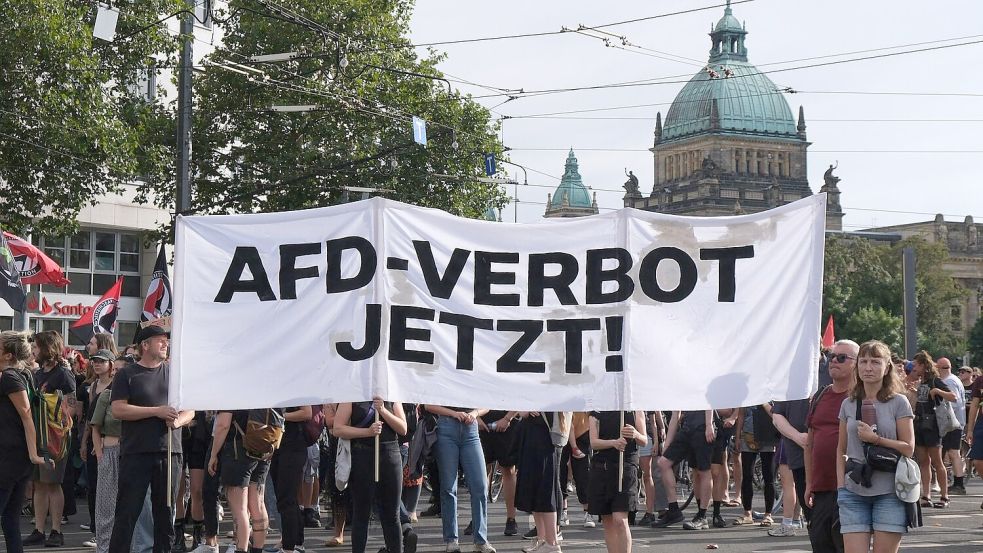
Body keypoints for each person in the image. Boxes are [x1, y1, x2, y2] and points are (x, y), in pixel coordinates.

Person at [108, 325, 194, 553]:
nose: (165, 344)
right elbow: (118, 410)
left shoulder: (174, 374)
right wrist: (156, 411)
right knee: (127, 511)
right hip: (136, 452)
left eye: (166, 341)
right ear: (145, 345)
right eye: (160, 341)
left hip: (169, 451)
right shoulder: (127, 374)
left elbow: (190, 410)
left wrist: (177, 421)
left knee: (165, 513)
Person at [836, 340, 915, 553]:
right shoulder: (848, 403)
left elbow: (908, 448)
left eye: (875, 362)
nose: (868, 367)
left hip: (890, 491)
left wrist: (877, 440)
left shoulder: (899, 402)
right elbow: (840, 449)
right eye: (863, 361)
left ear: (887, 366)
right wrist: (840, 486)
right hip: (853, 489)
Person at [23, 330, 76, 548]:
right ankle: (39, 529)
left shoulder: (63, 373)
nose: (33, 351)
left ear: (47, 348)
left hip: (55, 437)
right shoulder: (37, 373)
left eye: (36, 347)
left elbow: (72, 405)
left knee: (53, 483)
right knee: (38, 483)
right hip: (38, 434)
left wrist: (59, 425)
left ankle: (56, 530)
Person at [334, 399, 409, 553]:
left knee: (392, 514)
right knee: (361, 513)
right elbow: (338, 428)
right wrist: (366, 432)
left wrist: (383, 410)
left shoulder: (391, 395)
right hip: (362, 455)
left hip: (390, 454)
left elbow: (403, 428)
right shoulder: (352, 395)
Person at [804, 339, 858, 553]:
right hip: (821, 488)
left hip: (851, 487)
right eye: (832, 356)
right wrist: (809, 484)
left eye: (842, 358)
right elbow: (810, 444)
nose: (833, 361)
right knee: (821, 544)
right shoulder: (820, 395)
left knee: (844, 546)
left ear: (856, 363)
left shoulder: (860, 398)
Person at [0, 331, 51, 553]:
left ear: (8, 355)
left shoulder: (11, 377)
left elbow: (27, 415)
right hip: (16, 457)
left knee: (9, 516)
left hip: (11, 457)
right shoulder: (22, 374)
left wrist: (33, 453)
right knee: (10, 517)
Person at [425, 405, 497, 553]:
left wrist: (475, 413)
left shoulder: (474, 381)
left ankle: (481, 540)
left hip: (471, 429)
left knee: (480, 486)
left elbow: (486, 403)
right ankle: (452, 540)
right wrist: (454, 413)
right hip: (446, 427)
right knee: (449, 487)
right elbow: (428, 405)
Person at [209, 409, 273, 553]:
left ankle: (241, 549)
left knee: (240, 509)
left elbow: (223, 424)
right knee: (258, 504)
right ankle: (258, 549)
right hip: (264, 444)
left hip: (238, 448)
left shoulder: (232, 389)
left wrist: (213, 454)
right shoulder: (264, 386)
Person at [588, 410, 646, 553]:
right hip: (602, 469)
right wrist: (613, 443)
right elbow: (594, 443)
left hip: (625, 468)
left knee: (620, 520)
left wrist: (635, 434)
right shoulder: (596, 411)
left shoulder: (634, 409)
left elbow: (644, 440)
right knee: (608, 521)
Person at [908, 351, 956, 508]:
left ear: (923, 365)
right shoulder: (922, 382)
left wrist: (937, 391)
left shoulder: (935, 380)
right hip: (920, 424)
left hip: (932, 425)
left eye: (916, 365)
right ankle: (926, 495)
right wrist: (915, 392)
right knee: (923, 461)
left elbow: (953, 396)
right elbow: (924, 399)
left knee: (937, 461)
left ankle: (944, 496)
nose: (914, 368)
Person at [651, 410, 714, 529]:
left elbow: (708, 401)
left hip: (702, 427)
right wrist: (667, 444)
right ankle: (674, 510)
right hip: (687, 429)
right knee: (663, 463)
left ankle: (702, 515)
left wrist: (709, 424)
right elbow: (676, 414)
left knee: (703, 471)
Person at [514, 412, 564, 553]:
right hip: (532, 435)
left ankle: (552, 542)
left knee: (545, 490)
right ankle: (542, 540)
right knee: (534, 488)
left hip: (544, 437)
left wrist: (526, 408)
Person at [89, 350, 122, 553]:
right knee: (106, 504)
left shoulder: (137, 397)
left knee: (128, 503)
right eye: (116, 370)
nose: (117, 373)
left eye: (121, 370)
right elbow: (95, 427)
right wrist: (100, 454)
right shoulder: (107, 395)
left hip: (130, 454)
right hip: (109, 452)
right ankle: (104, 546)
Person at [270, 406, 312, 553]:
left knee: (287, 499)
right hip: (278, 445)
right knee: (286, 499)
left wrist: (281, 416)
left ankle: (289, 547)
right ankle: (296, 543)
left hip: (293, 445)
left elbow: (307, 413)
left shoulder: (296, 386)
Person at [769, 398, 810, 536]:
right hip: (797, 439)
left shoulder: (791, 390)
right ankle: (796, 519)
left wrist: (763, 402)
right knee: (800, 485)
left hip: (790, 442)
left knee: (789, 485)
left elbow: (776, 415)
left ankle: (787, 523)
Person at [732, 405, 778, 527]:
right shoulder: (746, 392)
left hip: (768, 434)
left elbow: (776, 413)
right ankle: (747, 513)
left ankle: (768, 514)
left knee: (769, 477)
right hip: (748, 435)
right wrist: (737, 436)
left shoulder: (771, 389)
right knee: (747, 475)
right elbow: (741, 414)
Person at [479, 409, 520, 535]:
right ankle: (478, 518)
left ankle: (511, 519)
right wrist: (475, 416)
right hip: (482, 420)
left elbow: (519, 394)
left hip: (507, 422)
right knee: (480, 470)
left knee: (508, 470)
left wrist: (508, 418)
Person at [936, 358, 967, 495]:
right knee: (954, 453)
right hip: (956, 422)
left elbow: (954, 401)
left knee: (953, 453)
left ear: (941, 368)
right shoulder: (954, 379)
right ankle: (957, 482)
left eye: (937, 368)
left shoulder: (949, 381)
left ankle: (958, 483)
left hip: (952, 423)